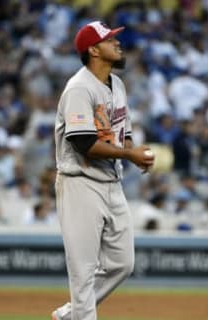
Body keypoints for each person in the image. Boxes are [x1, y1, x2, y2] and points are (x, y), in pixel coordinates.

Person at [51, 21, 155, 320]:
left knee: (122, 263)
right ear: (93, 50)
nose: (117, 43)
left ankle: (72, 314)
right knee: (82, 269)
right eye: (110, 40)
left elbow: (124, 132)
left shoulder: (117, 84)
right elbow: (84, 142)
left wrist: (135, 152)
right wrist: (129, 154)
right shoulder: (79, 88)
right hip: (79, 183)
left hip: (111, 181)